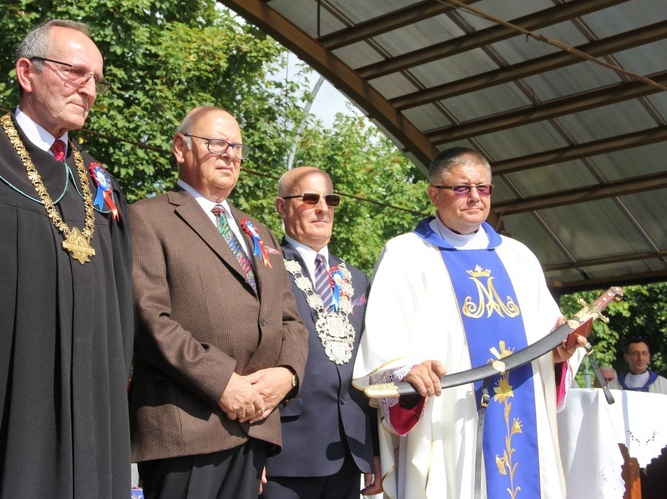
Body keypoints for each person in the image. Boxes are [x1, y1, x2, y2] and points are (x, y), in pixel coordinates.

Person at [0, 19, 133, 497]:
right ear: (26, 72)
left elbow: (120, 306)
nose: (89, 90)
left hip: (90, 409)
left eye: (97, 79)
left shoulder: (99, 183)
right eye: (76, 72)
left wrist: (118, 392)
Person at [352, 147, 585, 499]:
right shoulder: (406, 254)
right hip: (449, 415)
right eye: (462, 188)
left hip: (517, 405)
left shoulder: (518, 256)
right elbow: (385, 339)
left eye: (484, 188)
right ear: (434, 194)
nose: (475, 197)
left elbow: (545, 342)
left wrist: (560, 352)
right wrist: (408, 369)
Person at [128, 106, 309, 499]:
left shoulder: (257, 230)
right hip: (186, 430)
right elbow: (149, 319)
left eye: (237, 147)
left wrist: (288, 375)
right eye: (216, 144)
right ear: (181, 147)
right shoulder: (147, 218)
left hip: (254, 428)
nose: (230, 154)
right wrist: (222, 382)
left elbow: (290, 320)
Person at [260, 166, 382, 498]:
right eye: (310, 198)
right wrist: (253, 447)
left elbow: (370, 361)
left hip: (348, 452)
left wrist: (374, 446)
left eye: (331, 199)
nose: (322, 207)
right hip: (284, 453)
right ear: (281, 207)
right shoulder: (263, 269)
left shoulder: (356, 278)